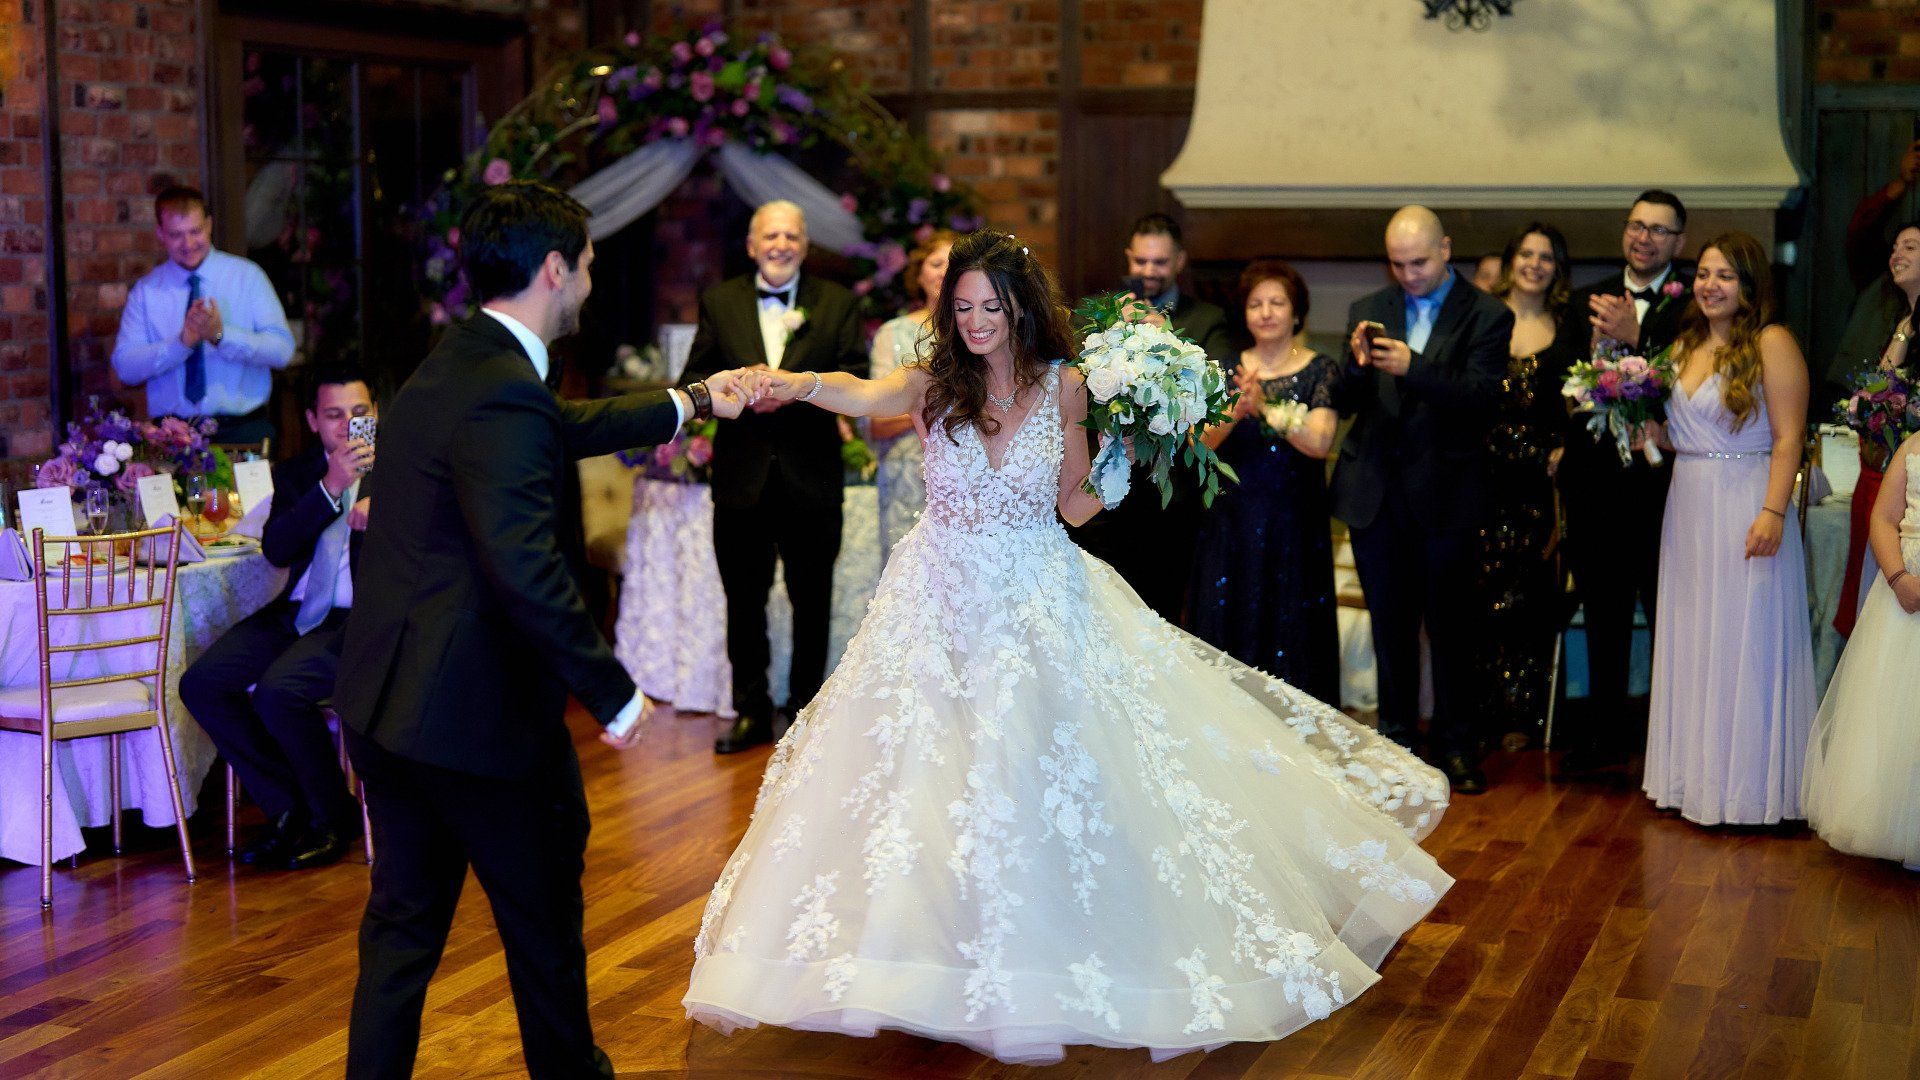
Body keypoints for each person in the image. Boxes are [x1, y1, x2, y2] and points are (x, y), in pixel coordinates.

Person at [681, 229, 1450, 1063]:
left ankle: (1046, 949)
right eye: (962, 306)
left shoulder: (1068, 384)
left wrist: (1125, 452)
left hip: (1038, 595)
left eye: (990, 306)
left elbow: (1076, 509)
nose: (975, 321)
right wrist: (794, 383)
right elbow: (860, 395)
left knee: (1038, 772)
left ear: (1021, 308)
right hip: (937, 599)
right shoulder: (935, 382)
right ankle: (929, 952)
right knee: (924, 779)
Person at [333, 181, 751, 1079]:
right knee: (543, 936)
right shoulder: (502, 390)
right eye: (590, 265)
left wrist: (694, 400)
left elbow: (559, 428)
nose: (593, 283)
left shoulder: (450, 367)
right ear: (555, 269)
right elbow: (524, 566)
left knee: (401, 938)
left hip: (387, 707)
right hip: (477, 722)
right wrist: (616, 691)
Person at [1332, 206, 1510, 794]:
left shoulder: (1488, 314)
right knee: (1391, 627)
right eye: (1398, 263)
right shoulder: (1369, 311)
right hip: (1378, 492)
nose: (1407, 275)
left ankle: (1457, 746)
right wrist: (1358, 366)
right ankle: (1398, 739)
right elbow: (1348, 397)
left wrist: (1417, 367)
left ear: (1446, 250)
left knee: (1452, 628)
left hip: (1449, 496)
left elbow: (1483, 398)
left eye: (1419, 262)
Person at [682, 199, 869, 754]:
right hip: (741, 480)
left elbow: (857, 379)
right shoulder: (720, 301)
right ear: (752, 244)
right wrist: (735, 393)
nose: (781, 244)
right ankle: (750, 711)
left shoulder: (835, 303)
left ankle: (805, 713)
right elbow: (693, 378)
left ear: (805, 246)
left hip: (811, 478)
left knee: (812, 600)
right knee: (744, 601)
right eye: (771, 235)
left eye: (792, 235)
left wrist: (797, 387)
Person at [1642, 232, 1815, 827]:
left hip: (1747, 500)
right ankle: (1695, 781)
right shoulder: (1683, 345)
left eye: (1725, 276)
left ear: (1749, 284)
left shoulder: (1773, 343)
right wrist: (1648, 433)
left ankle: (1751, 789)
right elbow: (1681, 434)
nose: (1709, 285)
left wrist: (1772, 511)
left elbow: (1790, 436)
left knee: (1747, 635)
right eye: (1703, 274)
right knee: (1695, 635)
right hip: (1687, 501)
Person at [179, 363, 376, 872]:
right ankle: (290, 808)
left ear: (374, 414)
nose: (347, 426)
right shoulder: (297, 473)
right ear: (313, 420)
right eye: (335, 415)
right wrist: (330, 488)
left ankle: (332, 818)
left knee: (279, 691)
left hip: (366, 619)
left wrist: (386, 513)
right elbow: (277, 550)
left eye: (358, 413)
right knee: (203, 683)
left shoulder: (401, 471)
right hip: (300, 612)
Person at [1552, 191, 1689, 774]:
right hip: (1595, 487)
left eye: (1660, 230)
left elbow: (1690, 397)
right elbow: (1555, 384)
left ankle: (1670, 742)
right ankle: (1603, 738)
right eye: (1637, 225)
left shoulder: (1691, 307)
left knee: (1669, 617)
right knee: (1604, 616)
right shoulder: (1587, 298)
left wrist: (1639, 340)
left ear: (1678, 242)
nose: (1645, 237)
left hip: (1665, 493)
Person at [1067, 212, 1233, 625]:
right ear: (1128, 258)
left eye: (1159, 262)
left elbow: (1218, 395)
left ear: (1179, 261)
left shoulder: (1207, 319)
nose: (1148, 271)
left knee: (1157, 615)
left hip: (1167, 497)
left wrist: (1166, 332)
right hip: (1100, 490)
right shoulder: (1097, 314)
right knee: (1096, 610)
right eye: (1141, 261)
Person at [1188, 259, 1340, 702]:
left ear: (1297, 313)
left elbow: (1320, 441)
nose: (1267, 312)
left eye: (1277, 302)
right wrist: (1237, 409)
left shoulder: (1320, 369)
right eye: (1256, 303)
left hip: (1293, 522)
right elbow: (1201, 445)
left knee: (1291, 622)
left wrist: (1267, 408)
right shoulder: (1227, 369)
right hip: (1231, 520)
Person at [1804, 428, 1920, 871]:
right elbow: (1883, 518)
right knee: (1896, 712)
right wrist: (1897, 579)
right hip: (1906, 596)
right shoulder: (1911, 447)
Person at [1482, 224, 1575, 741]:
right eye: (1526, 253)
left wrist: (1568, 447)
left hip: (1538, 483)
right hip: (1482, 477)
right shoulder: (1482, 317)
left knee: (1530, 597)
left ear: (1557, 269)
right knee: (1481, 593)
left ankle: (1523, 716)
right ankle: (1480, 713)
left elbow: (1581, 400)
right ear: (1511, 259)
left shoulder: (1568, 326)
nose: (1535, 264)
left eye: (1547, 256)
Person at [110, 186, 294, 444]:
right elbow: (126, 367)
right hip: (171, 437)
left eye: (195, 232)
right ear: (160, 234)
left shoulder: (247, 277)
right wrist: (182, 343)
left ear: (209, 225)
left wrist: (221, 336)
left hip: (242, 431)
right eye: (176, 235)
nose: (188, 244)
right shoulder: (146, 291)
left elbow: (282, 352)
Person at [1835, 222, 1920, 640]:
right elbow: (1879, 393)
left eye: (1910, 246)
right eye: (1894, 247)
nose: (1896, 255)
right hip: (1882, 473)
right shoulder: (1900, 319)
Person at [868, 230, 954, 562]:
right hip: (907, 476)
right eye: (935, 263)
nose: (944, 272)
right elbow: (877, 421)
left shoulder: (982, 331)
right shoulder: (894, 333)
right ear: (919, 275)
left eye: (953, 264)